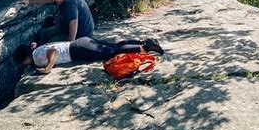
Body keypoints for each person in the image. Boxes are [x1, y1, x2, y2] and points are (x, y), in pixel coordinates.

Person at [13, 37, 164, 74]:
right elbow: (36, 44)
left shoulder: (37, 58)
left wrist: (48, 68)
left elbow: (54, 52)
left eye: (22, 63)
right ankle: (143, 42)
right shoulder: (36, 49)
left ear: (25, 58)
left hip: (78, 51)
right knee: (114, 45)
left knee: (113, 52)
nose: (24, 65)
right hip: (80, 42)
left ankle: (145, 47)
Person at [19, 0, 94, 43]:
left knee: (48, 45)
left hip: (80, 35)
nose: (52, 0)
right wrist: (29, 2)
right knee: (43, 34)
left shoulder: (70, 3)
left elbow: (74, 22)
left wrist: (70, 44)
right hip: (65, 29)